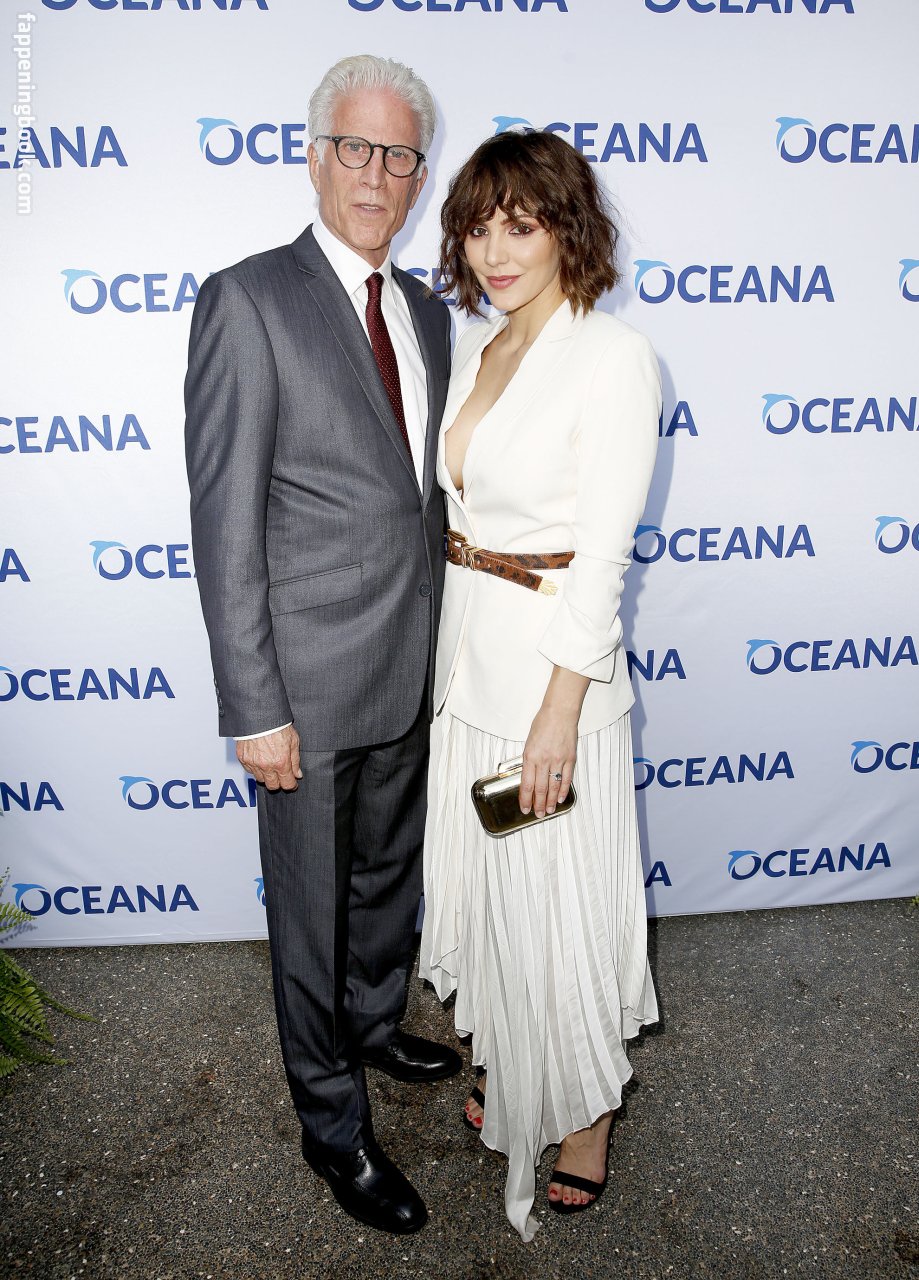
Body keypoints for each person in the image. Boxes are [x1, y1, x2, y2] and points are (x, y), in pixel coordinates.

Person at [184, 54, 458, 1236]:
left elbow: (417, 496)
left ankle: (372, 1019)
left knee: (387, 879)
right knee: (309, 912)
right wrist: (254, 703)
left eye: (399, 154)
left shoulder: (429, 310)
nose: (377, 174)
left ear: (418, 174)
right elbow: (224, 521)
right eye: (356, 147)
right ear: (314, 156)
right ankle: (330, 1123)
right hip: (303, 682)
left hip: (411, 661)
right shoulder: (247, 300)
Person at [419, 129, 662, 1241]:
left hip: (548, 693)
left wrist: (559, 711)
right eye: (477, 227)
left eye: (521, 225)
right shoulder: (479, 344)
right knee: (494, 893)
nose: (495, 250)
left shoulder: (611, 356)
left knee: (557, 905)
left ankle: (587, 1114)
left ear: (568, 230)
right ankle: (517, 1062)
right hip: (466, 668)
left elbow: (601, 555)